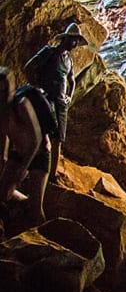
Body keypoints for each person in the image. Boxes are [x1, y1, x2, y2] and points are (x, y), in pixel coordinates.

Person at [23, 22, 89, 183]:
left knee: (58, 138)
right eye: (73, 40)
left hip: (60, 103)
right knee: (41, 136)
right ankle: (31, 171)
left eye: (76, 41)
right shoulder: (49, 52)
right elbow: (29, 67)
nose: (74, 44)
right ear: (65, 39)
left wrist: (69, 96)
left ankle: (51, 176)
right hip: (46, 99)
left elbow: (71, 80)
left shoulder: (69, 61)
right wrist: (37, 88)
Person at [0, 67, 53, 237]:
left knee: (36, 210)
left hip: (38, 155)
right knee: (3, 192)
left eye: (6, 89)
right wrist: (4, 160)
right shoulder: (2, 111)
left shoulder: (22, 105)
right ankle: (24, 203)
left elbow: (36, 139)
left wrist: (23, 168)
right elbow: (4, 138)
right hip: (19, 153)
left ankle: (47, 244)